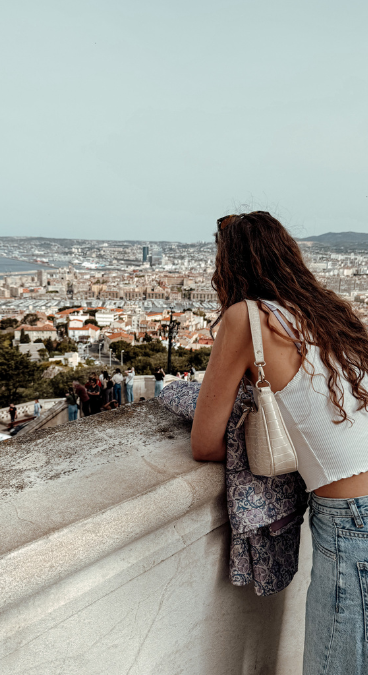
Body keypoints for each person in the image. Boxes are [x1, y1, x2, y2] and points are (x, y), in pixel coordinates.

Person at [191, 210, 368, 674]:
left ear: (227, 267)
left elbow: (205, 443)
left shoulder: (245, 318)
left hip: (354, 517)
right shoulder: (328, 315)